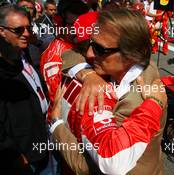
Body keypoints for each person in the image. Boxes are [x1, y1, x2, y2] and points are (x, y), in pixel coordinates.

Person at [50, 9, 167, 175]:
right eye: (90, 44)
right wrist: (88, 74)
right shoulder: (120, 65)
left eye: (99, 49)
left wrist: (56, 125)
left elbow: (88, 166)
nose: (89, 53)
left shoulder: (136, 102)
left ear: (131, 54)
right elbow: (70, 54)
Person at [0, 4, 48, 174]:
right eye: (19, 30)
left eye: (28, 28)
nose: (26, 34)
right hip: (25, 157)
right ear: (2, 31)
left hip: (44, 143)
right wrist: (15, 156)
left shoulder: (22, 51)